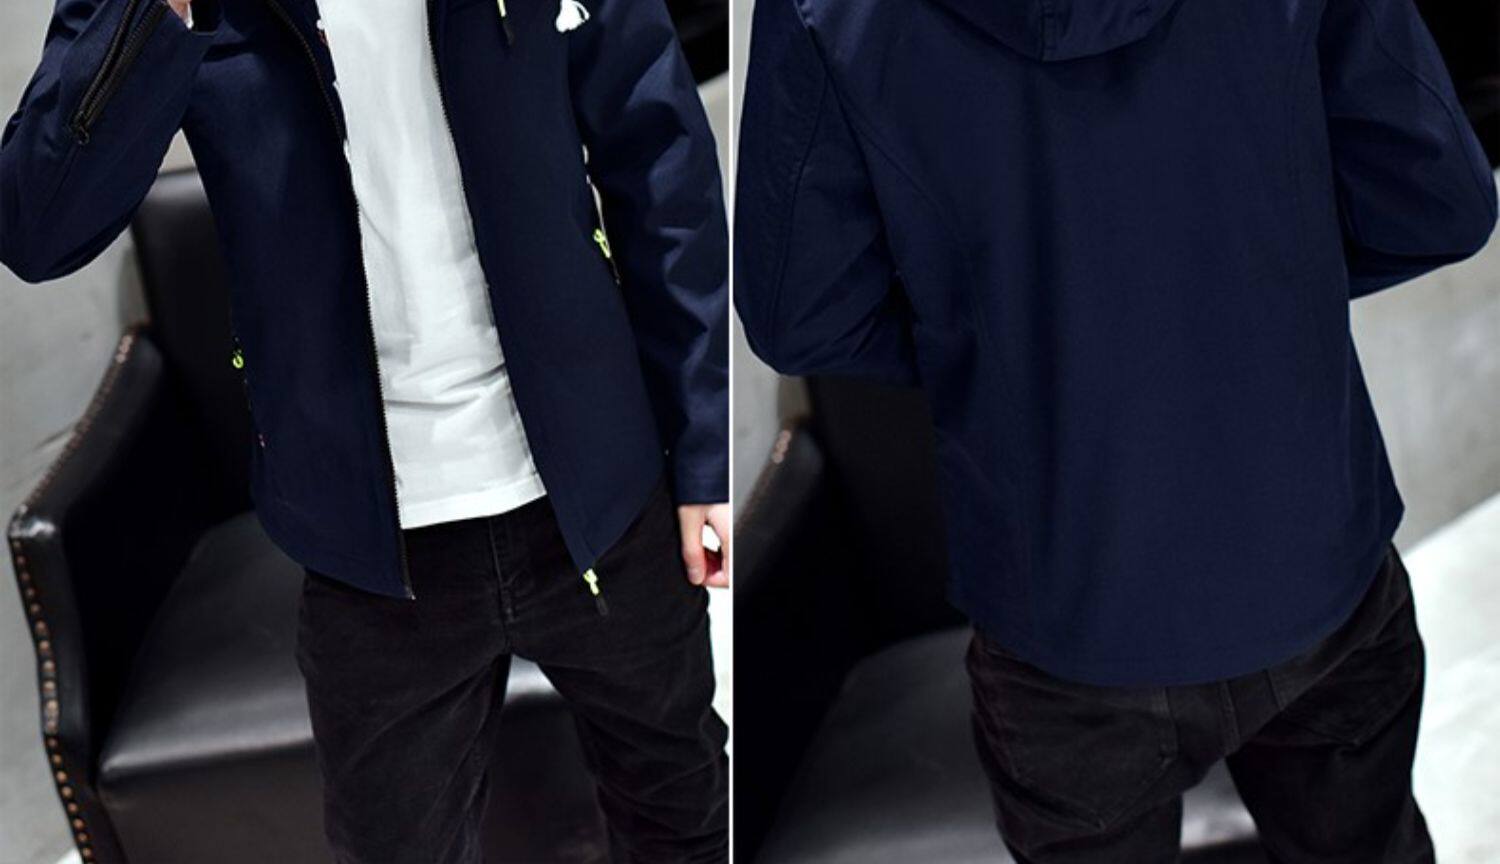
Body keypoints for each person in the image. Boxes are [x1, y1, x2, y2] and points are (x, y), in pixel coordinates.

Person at [735, 0, 1496, 860]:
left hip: (1067, 610)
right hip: (1312, 550)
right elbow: (1439, 202)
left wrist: (1009, 348)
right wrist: (1257, 285)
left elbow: (803, 316)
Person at [1, 0, 730, 861]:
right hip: (371, 557)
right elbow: (36, 229)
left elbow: (660, 157)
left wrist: (703, 448)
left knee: (683, 815)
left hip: (604, 494)